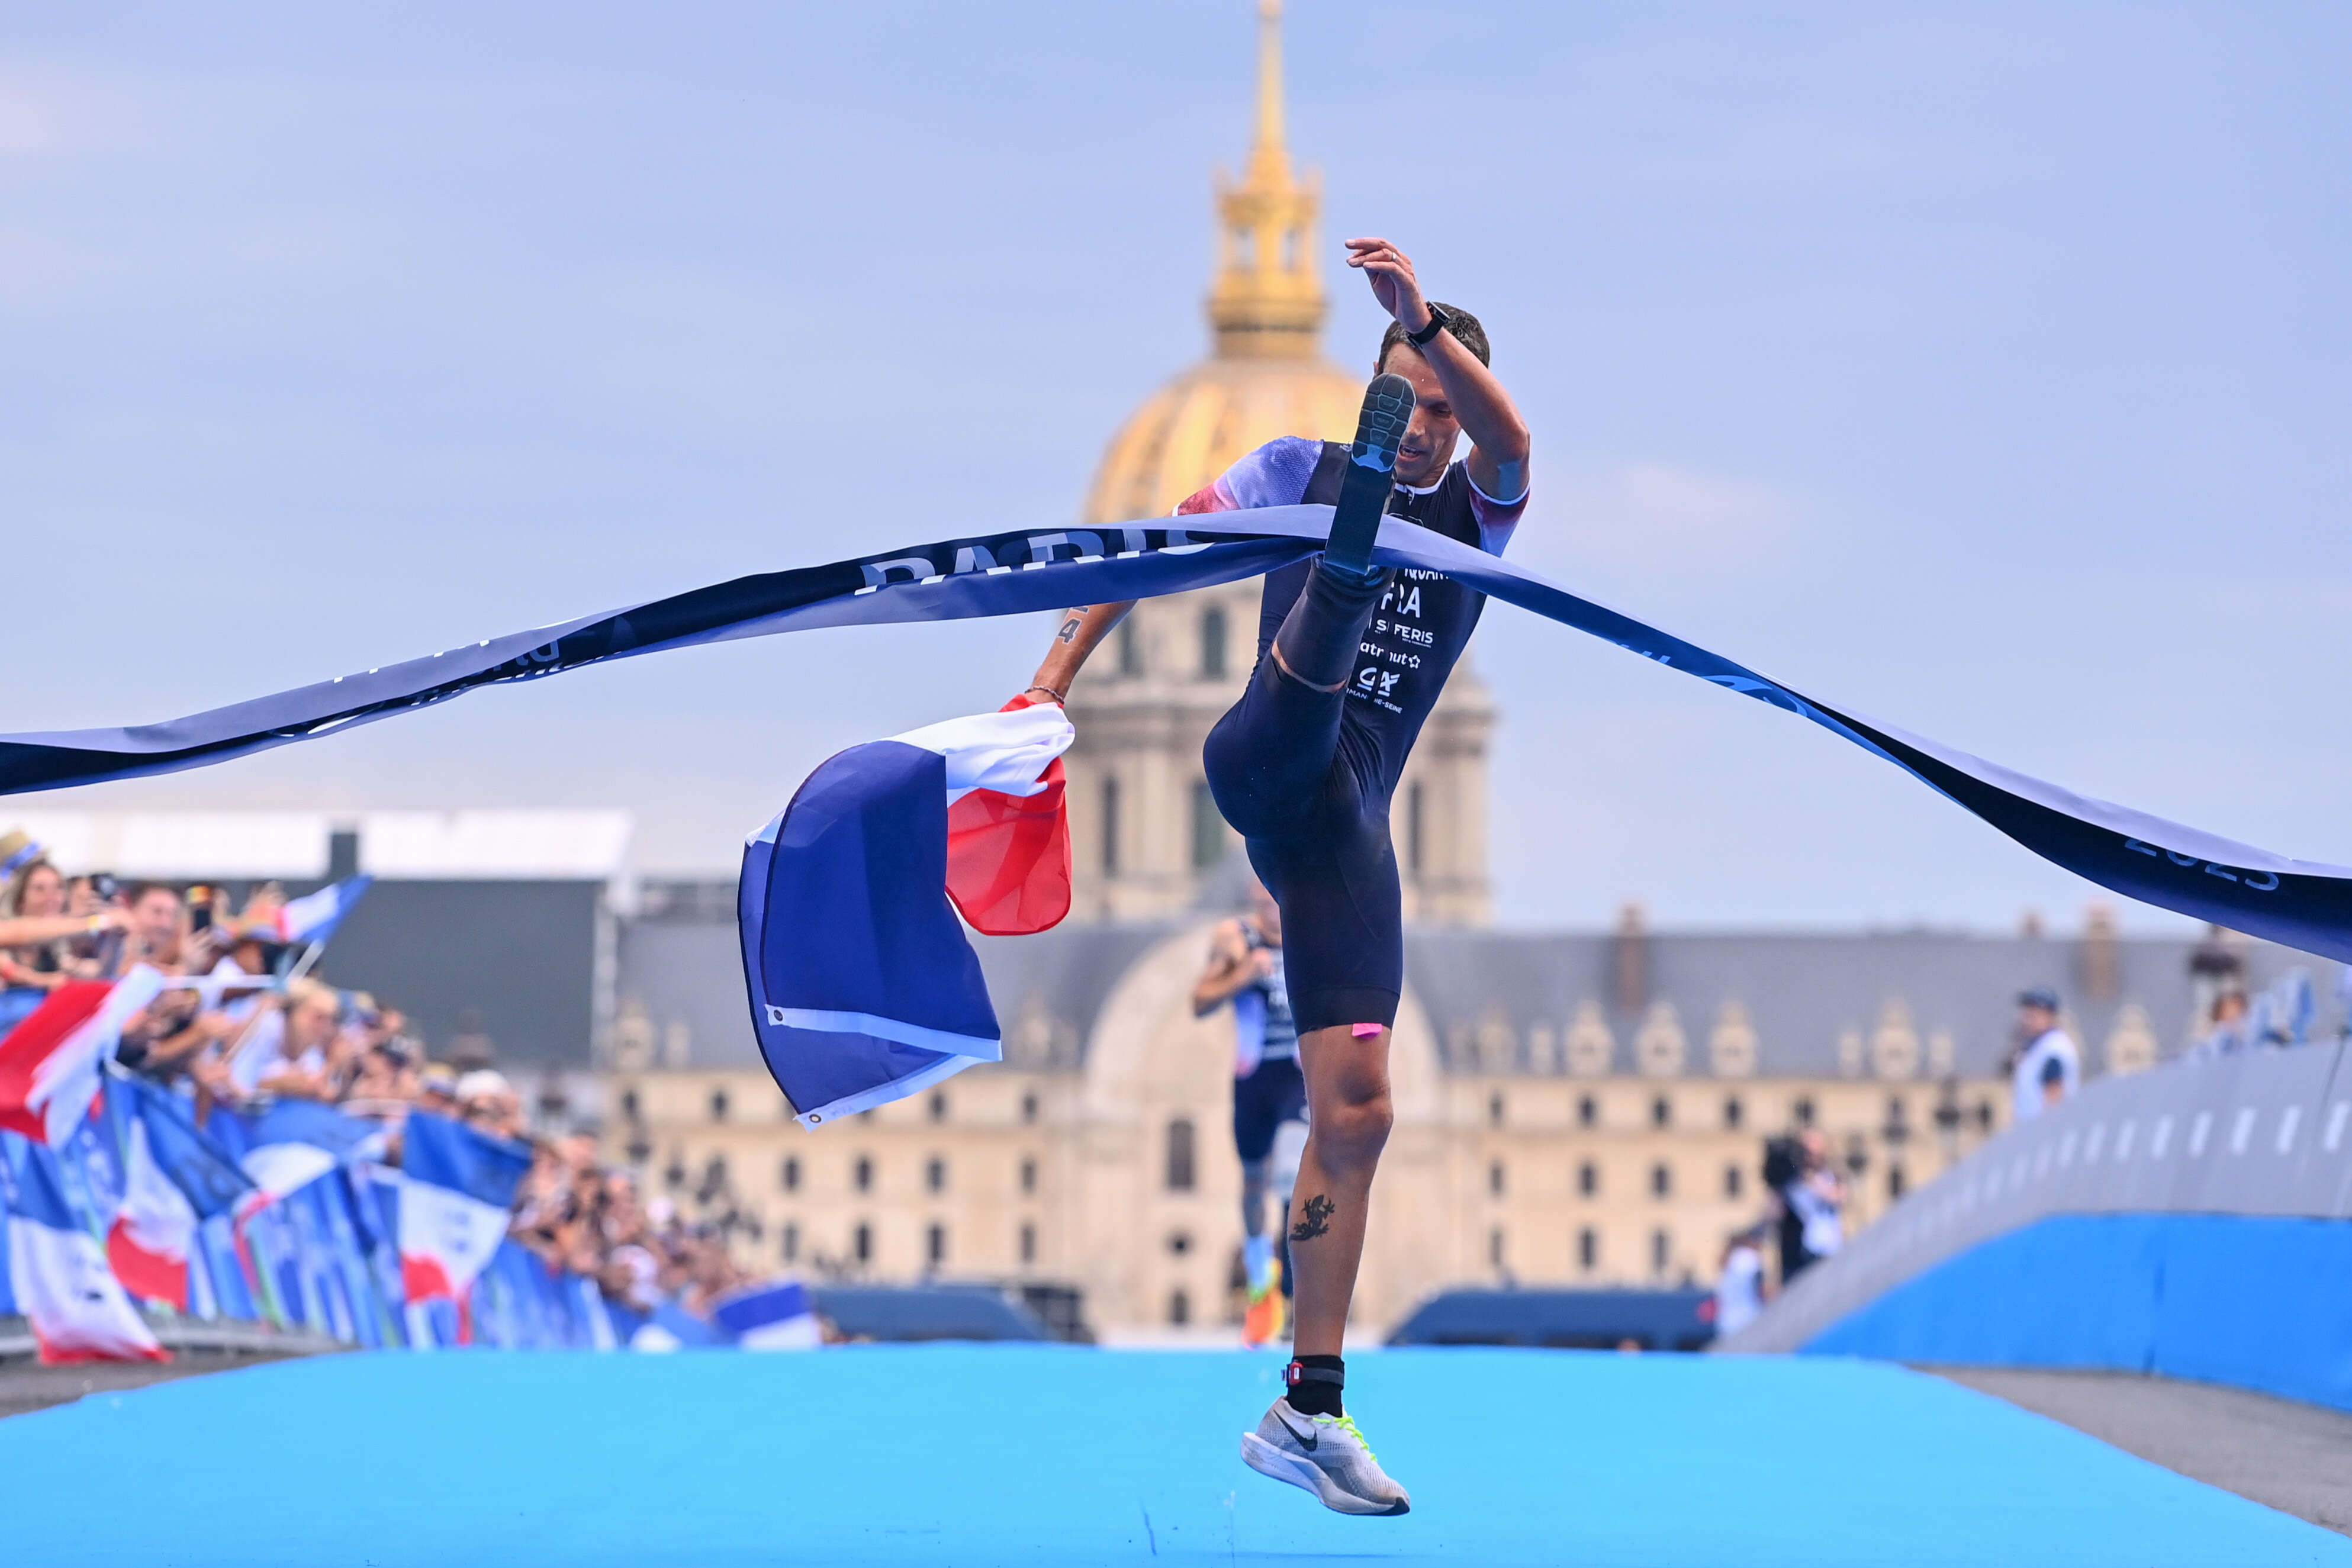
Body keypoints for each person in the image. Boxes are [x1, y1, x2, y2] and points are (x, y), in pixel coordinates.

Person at [1019, 235, 1530, 1516]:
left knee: (1358, 1109)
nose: (1422, 427)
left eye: (1436, 411)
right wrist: (1050, 684)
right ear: (1370, 394)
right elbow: (1146, 553)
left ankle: (1307, 1405)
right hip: (1265, 752)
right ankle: (1343, 567)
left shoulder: (1483, 508)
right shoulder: (1287, 467)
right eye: (1401, 402)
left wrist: (1427, 322)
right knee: (1314, 661)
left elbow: (1515, 441)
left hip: (1344, 828)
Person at [1191, 882, 1307, 1347]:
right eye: (1264, 902)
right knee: (1254, 1180)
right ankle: (1262, 1283)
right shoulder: (1234, 938)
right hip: (1254, 1076)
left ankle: (1294, 1291)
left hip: (1297, 1077)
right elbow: (1200, 1000)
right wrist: (1242, 974)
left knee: (1293, 1176)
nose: (1273, 910)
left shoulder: (1310, 936)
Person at [2007, 987, 2078, 1123]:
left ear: (2048, 1016)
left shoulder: (2053, 1050)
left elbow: (2055, 1098)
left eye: (2033, 1015)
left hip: (2043, 1133)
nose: (2026, 1020)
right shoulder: (2038, 1047)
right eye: (2026, 1014)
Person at [1713, 1225, 1771, 1340]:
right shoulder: (1749, 1257)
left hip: (1726, 1321)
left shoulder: (1731, 1258)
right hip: (1747, 1320)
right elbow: (1761, 1289)